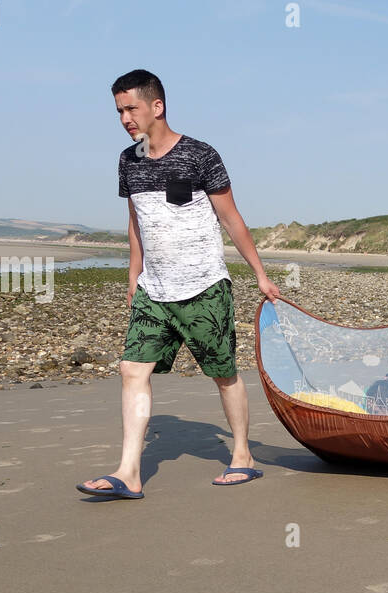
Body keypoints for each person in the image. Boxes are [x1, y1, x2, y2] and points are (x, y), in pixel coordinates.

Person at [77, 69, 284, 499]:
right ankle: (128, 471)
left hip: (205, 287)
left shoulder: (200, 155)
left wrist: (260, 274)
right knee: (132, 369)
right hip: (155, 289)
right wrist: (134, 275)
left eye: (131, 108)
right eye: (118, 110)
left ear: (158, 106)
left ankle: (242, 454)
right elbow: (136, 220)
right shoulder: (127, 161)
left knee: (223, 374)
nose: (124, 118)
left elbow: (231, 218)